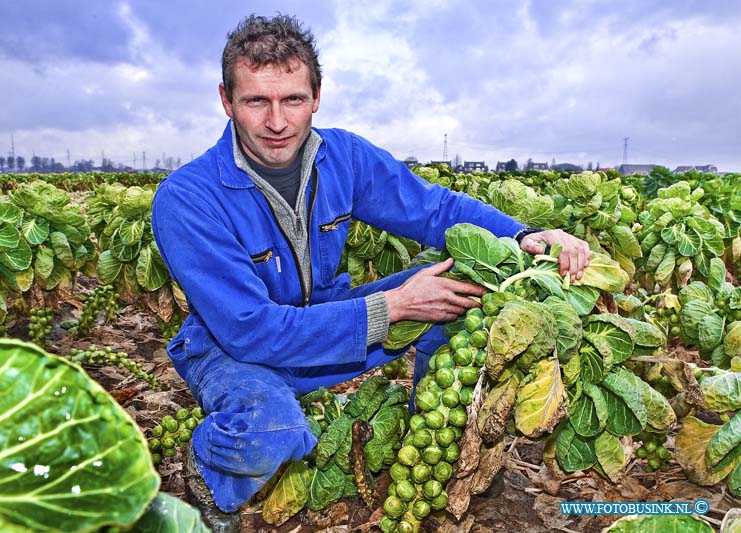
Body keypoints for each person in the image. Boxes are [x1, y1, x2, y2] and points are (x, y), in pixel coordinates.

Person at [151, 13, 590, 527]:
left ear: (316, 97)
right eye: (256, 101)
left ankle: (429, 444)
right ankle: (210, 474)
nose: (277, 121)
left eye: (293, 99)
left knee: (460, 283)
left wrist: (522, 236)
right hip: (231, 349)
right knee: (272, 429)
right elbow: (251, 331)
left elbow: (433, 210)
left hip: (323, 320)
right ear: (226, 101)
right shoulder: (187, 199)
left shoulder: (344, 158)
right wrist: (393, 308)